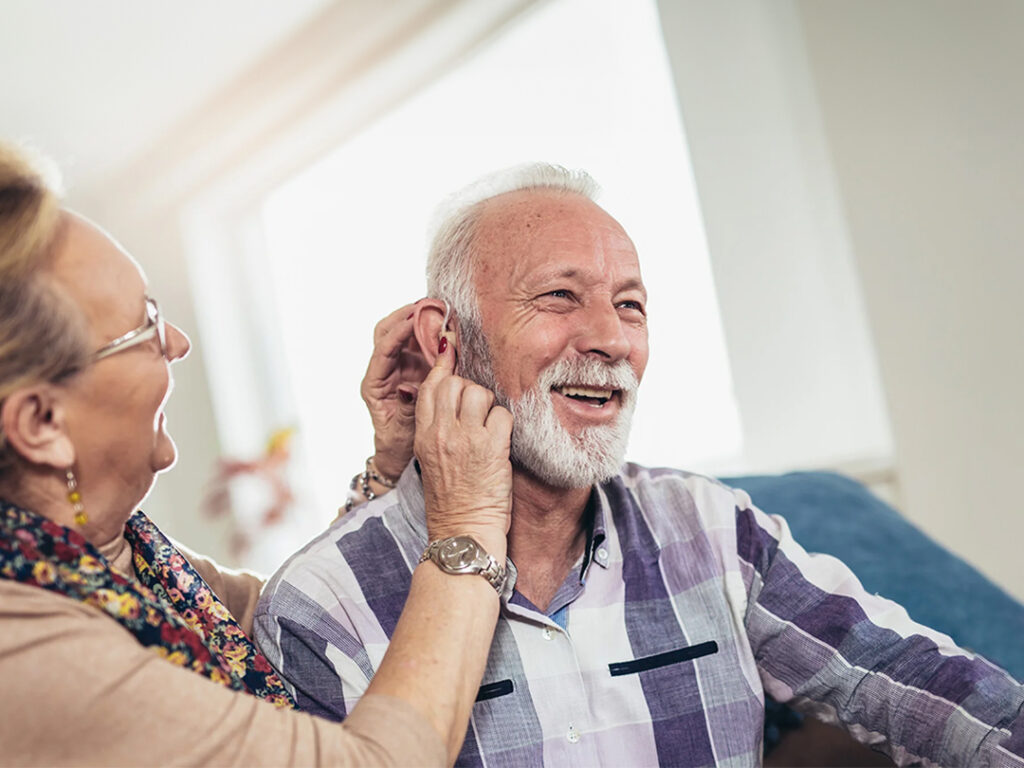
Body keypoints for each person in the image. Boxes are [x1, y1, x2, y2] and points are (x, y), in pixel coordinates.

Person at [255, 163, 1024, 767]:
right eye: (559, 296)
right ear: (445, 339)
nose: (611, 339)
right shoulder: (321, 607)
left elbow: (910, 679)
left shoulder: (713, 529)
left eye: (630, 305)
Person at [0, 140, 515, 766]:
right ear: (42, 423)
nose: (178, 343)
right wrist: (468, 528)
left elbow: (299, 630)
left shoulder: (129, 566)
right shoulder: (33, 659)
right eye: (145, 328)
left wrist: (389, 467)